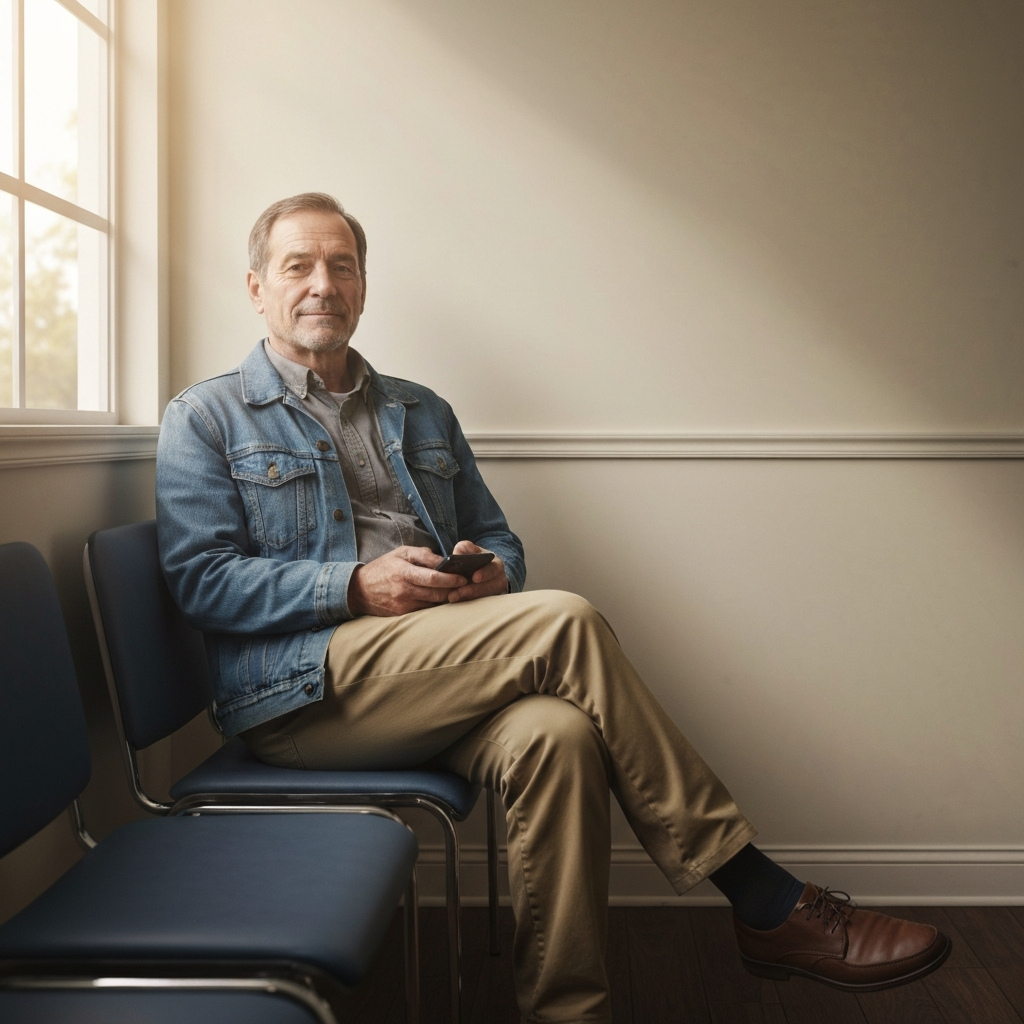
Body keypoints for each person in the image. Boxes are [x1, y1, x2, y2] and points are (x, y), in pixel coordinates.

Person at [156, 193, 951, 1023]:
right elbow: (201, 582)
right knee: (566, 620)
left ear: (363, 284)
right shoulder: (205, 416)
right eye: (299, 267)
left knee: (561, 735)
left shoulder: (421, 410)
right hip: (303, 695)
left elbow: (498, 535)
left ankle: (566, 1014)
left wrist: (493, 571)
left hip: (438, 669)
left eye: (342, 266)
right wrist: (355, 586)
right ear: (256, 288)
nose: (324, 284)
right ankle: (759, 894)